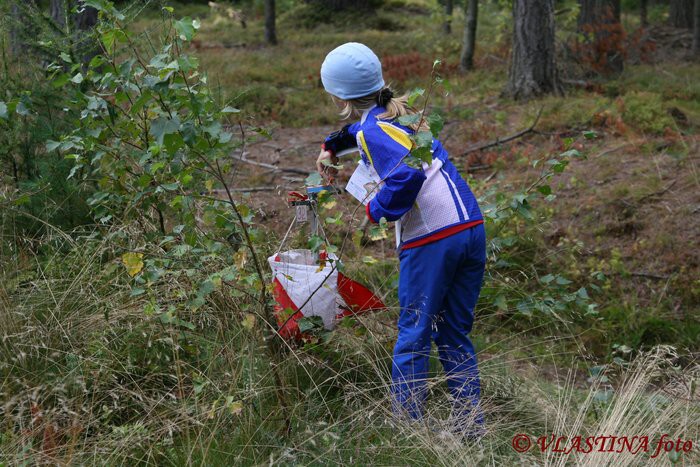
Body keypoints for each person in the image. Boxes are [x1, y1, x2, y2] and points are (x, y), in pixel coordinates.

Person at [317, 42, 487, 436]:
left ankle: (407, 428)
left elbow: (406, 175)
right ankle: (470, 426)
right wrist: (331, 146)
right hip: (469, 226)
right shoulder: (402, 113)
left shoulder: (375, 129)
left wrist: (376, 209)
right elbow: (363, 131)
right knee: (453, 331)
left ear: (338, 95)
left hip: (433, 239)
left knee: (414, 332)